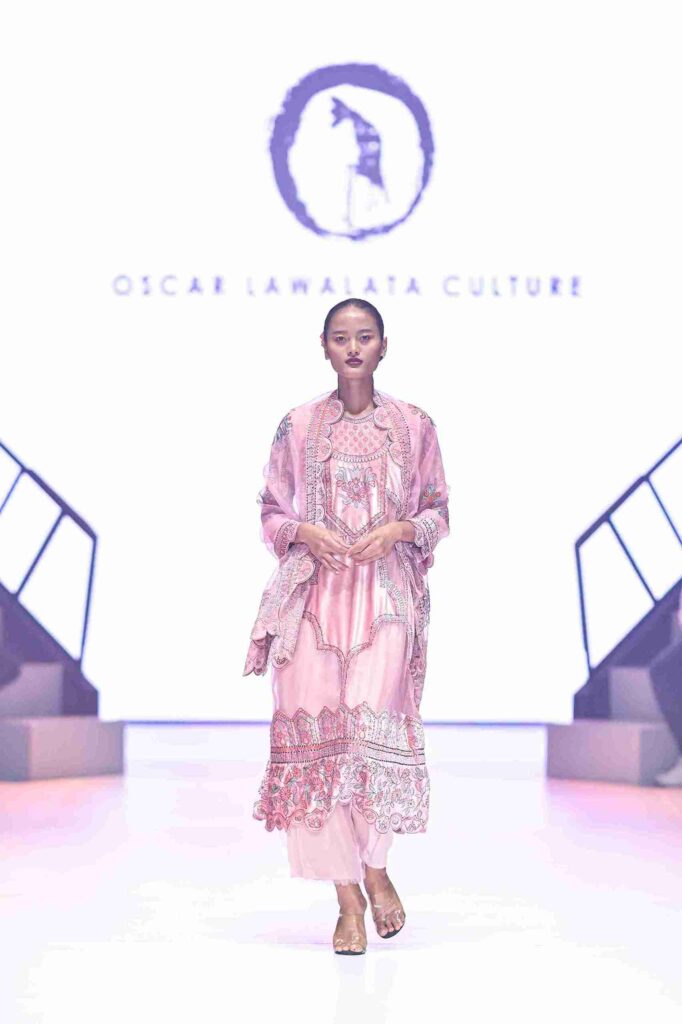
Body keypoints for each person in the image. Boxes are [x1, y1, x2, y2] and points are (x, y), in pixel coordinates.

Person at [243, 298, 450, 954]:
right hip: (313, 599)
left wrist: (399, 529)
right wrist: (305, 531)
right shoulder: (299, 425)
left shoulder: (414, 424)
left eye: (365, 337)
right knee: (321, 747)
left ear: (384, 345)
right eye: (341, 337)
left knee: (371, 738)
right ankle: (348, 899)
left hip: (386, 597)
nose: (353, 347)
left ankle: (375, 867)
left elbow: (439, 511)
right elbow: (271, 510)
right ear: (324, 347)